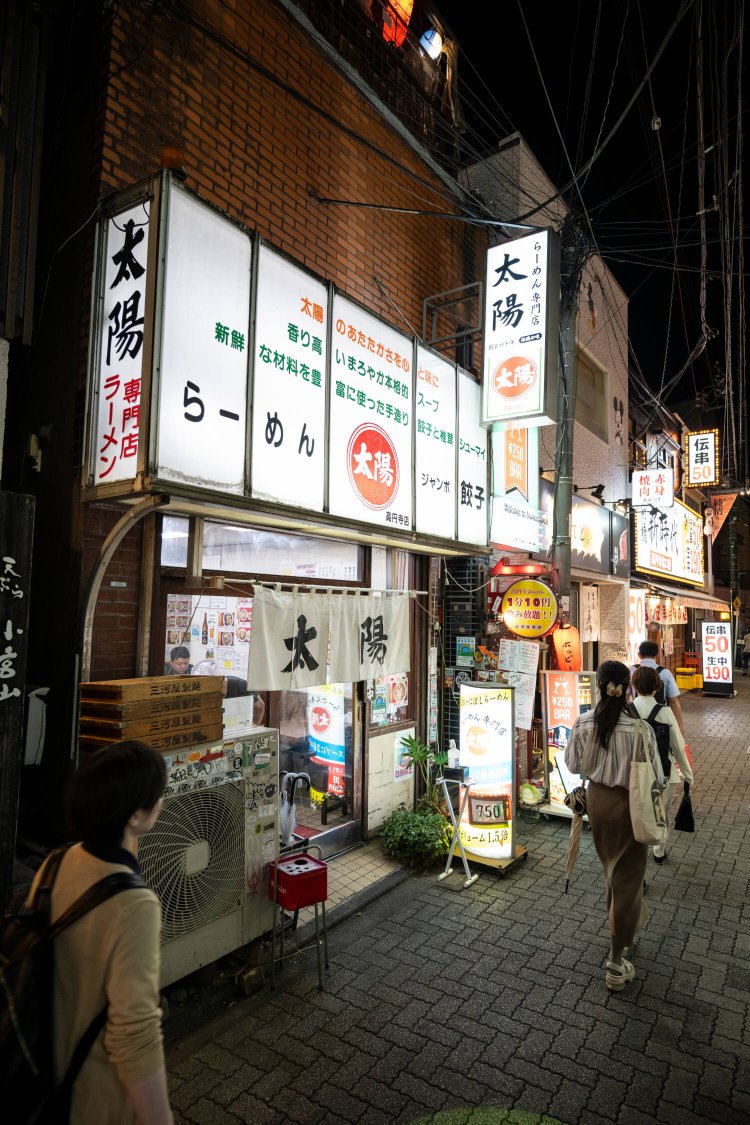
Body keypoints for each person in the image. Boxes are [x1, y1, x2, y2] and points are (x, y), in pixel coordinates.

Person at [28, 741, 173, 1124]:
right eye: (157, 796)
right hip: (90, 1099)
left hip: (36, 1077)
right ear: (135, 816)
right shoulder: (134, 905)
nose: (162, 801)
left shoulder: (55, 865)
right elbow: (135, 1034)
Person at [565, 660, 665, 992]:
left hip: (597, 804)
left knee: (613, 871)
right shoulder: (640, 729)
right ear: (628, 689)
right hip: (629, 807)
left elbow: (572, 763)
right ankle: (616, 961)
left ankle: (623, 931)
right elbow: (658, 777)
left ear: (599, 686)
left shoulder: (584, 721)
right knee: (628, 880)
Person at [631, 665, 694, 864]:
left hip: (634, 772)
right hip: (663, 773)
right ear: (657, 687)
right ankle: (658, 850)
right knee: (660, 812)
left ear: (634, 685)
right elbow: (677, 745)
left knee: (635, 810)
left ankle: (636, 851)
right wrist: (687, 773)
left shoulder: (627, 710)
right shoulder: (664, 712)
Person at [630, 640, 685, 736]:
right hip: (660, 717)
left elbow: (626, 696)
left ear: (639, 654)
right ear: (657, 655)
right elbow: (674, 701)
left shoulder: (632, 670)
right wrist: (680, 725)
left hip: (636, 715)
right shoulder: (665, 672)